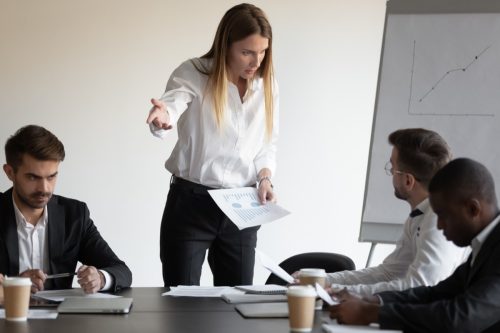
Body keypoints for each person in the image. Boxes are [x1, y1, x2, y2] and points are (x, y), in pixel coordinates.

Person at [146, 3, 278, 287]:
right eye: (247, 52)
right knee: (181, 299)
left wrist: (266, 178)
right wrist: (162, 119)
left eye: (262, 51)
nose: (256, 61)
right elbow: (172, 104)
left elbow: (266, 144)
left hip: (241, 206)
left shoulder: (266, 85)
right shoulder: (194, 72)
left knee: (235, 302)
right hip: (192, 204)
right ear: (225, 45)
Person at [330, 158, 500, 333]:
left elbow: (460, 317)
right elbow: (434, 294)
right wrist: (373, 300)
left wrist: (372, 313)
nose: (440, 226)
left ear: (473, 209)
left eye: (443, 215)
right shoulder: (486, 244)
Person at [318, 128, 466, 297]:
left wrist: (338, 291)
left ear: (408, 180)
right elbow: (388, 273)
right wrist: (323, 280)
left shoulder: (438, 220)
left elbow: (418, 287)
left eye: (392, 168)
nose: (391, 174)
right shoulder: (420, 215)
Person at [0, 125, 132, 294]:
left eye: (51, 176)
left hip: (61, 319)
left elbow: (121, 271)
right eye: (33, 177)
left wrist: (100, 278)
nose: (44, 188)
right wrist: (13, 285)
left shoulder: (74, 215)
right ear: (10, 172)